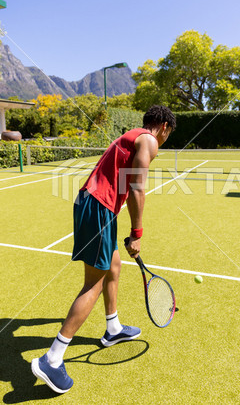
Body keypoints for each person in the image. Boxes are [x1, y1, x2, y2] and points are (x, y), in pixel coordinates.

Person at [31, 105, 176, 394]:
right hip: (99, 206)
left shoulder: (131, 136)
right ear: (163, 127)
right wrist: (137, 233)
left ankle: (113, 329)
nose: (164, 139)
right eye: (167, 134)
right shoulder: (148, 140)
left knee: (114, 265)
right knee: (93, 284)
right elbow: (136, 188)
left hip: (96, 205)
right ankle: (52, 358)